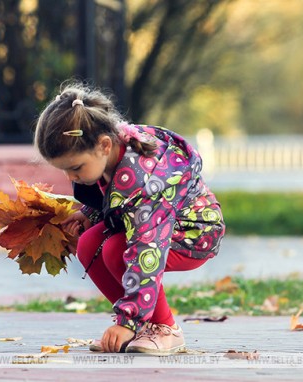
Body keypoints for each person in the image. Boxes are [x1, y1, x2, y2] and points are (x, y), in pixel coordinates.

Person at [34, 81, 225, 355]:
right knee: (89, 244)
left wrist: (128, 319)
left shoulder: (144, 182)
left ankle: (165, 329)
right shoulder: (113, 152)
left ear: (103, 145)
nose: (71, 178)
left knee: (116, 249)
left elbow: (146, 249)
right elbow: (117, 197)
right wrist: (90, 214)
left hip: (193, 233)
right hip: (152, 227)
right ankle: (143, 327)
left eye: (75, 168)